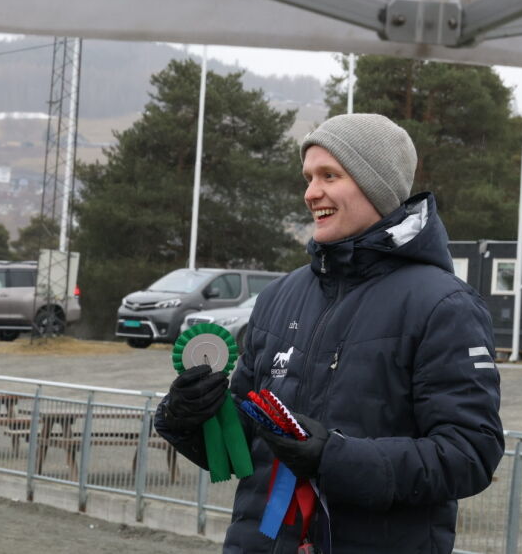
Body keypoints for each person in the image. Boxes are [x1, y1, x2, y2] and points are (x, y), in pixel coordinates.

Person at [155, 113, 504, 553]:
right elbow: (240, 451)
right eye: (308, 177)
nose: (310, 192)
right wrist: (188, 416)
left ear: (375, 185)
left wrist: (334, 458)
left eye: (329, 175)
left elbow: (470, 454)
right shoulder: (279, 296)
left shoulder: (442, 305)